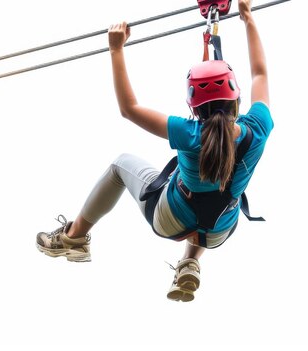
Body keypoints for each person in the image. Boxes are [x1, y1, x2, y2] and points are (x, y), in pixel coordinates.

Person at [36, 0, 273, 302]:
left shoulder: (187, 133)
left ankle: (75, 237)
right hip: (218, 231)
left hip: (170, 219)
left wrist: (115, 48)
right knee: (212, 196)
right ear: (236, 99)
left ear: (194, 107)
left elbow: (129, 109)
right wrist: (248, 19)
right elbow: (260, 75)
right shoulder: (258, 130)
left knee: (122, 164)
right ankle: (191, 262)